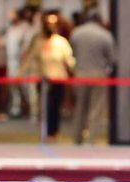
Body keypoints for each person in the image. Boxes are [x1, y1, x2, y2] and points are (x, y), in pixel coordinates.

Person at [69, 10, 115, 145]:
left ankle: (77, 138)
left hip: (80, 75)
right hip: (98, 75)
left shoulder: (76, 33)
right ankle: (90, 140)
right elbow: (111, 58)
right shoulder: (105, 35)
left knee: (80, 108)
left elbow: (72, 53)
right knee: (96, 110)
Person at [28, 10, 74, 141]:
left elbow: (69, 60)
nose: (51, 25)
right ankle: (45, 131)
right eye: (48, 22)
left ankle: (54, 131)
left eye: (54, 23)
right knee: (44, 106)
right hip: (43, 78)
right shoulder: (38, 41)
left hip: (58, 78)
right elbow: (31, 58)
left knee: (55, 106)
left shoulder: (61, 42)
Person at [5, 7, 34, 117]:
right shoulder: (11, 29)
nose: (10, 17)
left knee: (25, 86)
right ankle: (15, 108)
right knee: (12, 85)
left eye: (12, 14)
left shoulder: (25, 28)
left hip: (21, 61)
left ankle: (32, 109)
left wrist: (24, 61)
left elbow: (27, 46)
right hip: (11, 61)